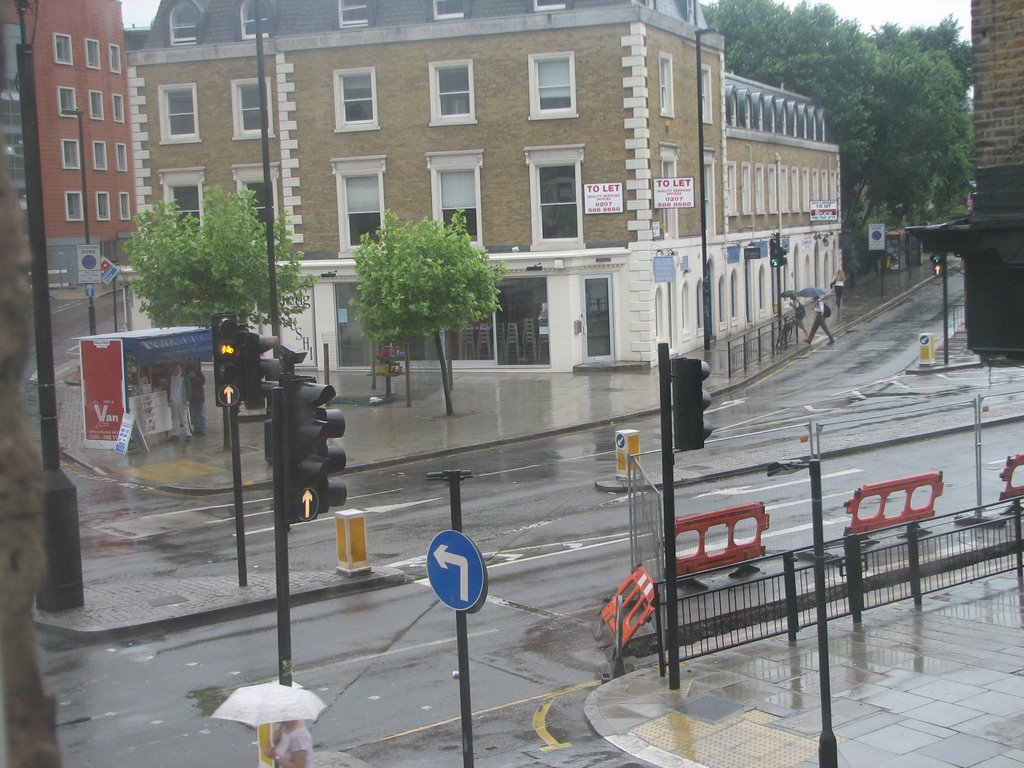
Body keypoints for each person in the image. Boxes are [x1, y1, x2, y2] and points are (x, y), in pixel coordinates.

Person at [167, 363, 192, 441]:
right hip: (174, 401)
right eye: (175, 368)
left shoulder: (184, 377)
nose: (177, 370)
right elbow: (170, 389)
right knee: (175, 418)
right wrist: (170, 399)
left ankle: (188, 434)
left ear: (181, 369)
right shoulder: (172, 378)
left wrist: (188, 399)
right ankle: (175, 434)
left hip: (182, 400)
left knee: (184, 418)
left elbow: (188, 388)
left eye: (178, 368)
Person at [186, 364, 206, 436]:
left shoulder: (199, 374)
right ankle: (196, 428)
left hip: (200, 398)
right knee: (194, 415)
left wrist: (195, 377)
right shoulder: (187, 378)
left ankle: (202, 429)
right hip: (192, 399)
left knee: (201, 414)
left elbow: (202, 382)